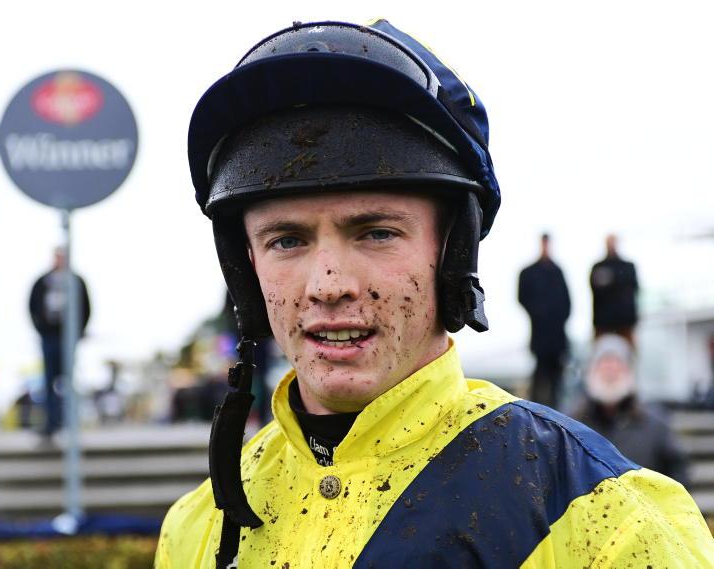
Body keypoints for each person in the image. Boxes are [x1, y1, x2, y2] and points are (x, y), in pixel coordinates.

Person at [156, 20, 713, 569]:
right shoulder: (197, 527)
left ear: (451, 255)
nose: (328, 285)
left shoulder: (607, 517)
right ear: (247, 268)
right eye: (286, 241)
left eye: (376, 233)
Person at [572, 334, 690, 486]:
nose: (610, 372)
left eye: (617, 364)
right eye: (604, 364)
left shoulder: (655, 426)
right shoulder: (571, 424)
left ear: (630, 372)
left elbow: (678, 474)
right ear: (591, 371)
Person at [28, 247, 90, 436]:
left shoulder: (76, 281)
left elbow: (86, 307)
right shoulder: (43, 281)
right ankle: (51, 422)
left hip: (68, 338)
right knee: (49, 380)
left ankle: (70, 420)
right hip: (49, 337)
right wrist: (41, 329)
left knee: (69, 380)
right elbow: (33, 306)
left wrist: (78, 331)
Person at [517, 233, 571, 408]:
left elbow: (567, 303)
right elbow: (523, 297)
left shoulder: (557, 271)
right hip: (540, 334)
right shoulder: (530, 272)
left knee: (556, 379)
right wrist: (539, 314)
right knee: (540, 376)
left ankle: (556, 409)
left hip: (557, 336)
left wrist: (557, 319)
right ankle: (536, 409)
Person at [590, 234, 639, 343]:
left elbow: (633, 288)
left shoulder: (627, 267)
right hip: (603, 323)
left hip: (624, 323)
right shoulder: (598, 267)